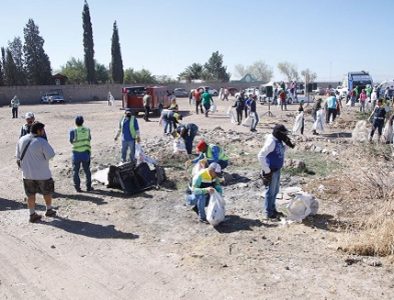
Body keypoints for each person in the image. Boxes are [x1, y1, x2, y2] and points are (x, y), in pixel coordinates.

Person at [16, 121, 56, 223]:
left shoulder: (21, 140)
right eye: (42, 130)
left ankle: (32, 214)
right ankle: (49, 210)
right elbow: (51, 155)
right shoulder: (42, 142)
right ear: (38, 131)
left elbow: (18, 157)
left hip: (27, 174)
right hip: (42, 174)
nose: (43, 132)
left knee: (30, 195)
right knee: (47, 192)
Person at [258, 124, 295, 220]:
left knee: (275, 191)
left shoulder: (278, 140)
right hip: (271, 171)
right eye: (283, 134)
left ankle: (272, 209)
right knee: (270, 192)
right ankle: (267, 213)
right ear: (278, 133)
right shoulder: (271, 142)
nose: (285, 136)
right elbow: (261, 155)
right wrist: (267, 170)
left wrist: (287, 144)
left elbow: (280, 151)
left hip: (277, 169)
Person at [69, 116, 92, 192]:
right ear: (83, 122)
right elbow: (89, 138)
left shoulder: (73, 131)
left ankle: (77, 188)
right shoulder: (87, 130)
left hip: (76, 154)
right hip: (86, 153)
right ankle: (88, 187)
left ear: (75, 122)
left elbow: (71, 141)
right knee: (87, 170)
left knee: (76, 171)